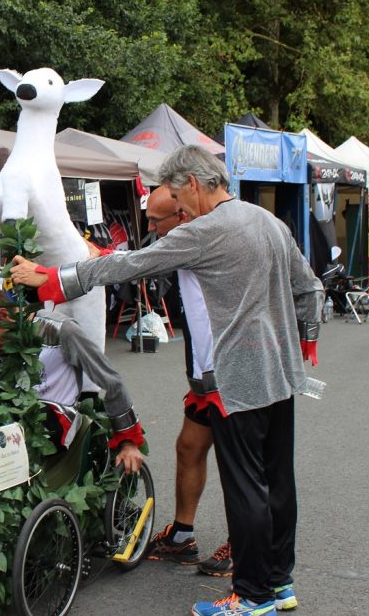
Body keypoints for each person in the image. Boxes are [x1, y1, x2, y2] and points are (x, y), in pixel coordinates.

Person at [11, 145, 322, 616]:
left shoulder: (206, 230)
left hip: (234, 380)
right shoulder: (268, 222)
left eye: (178, 196)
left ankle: (254, 595)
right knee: (277, 481)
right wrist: (304, 336)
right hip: (278, 373)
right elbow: (309, 285)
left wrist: (52, 278)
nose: (179, 208)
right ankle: (278, 583)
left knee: (246, 487)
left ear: (194, 185)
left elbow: (128, 264)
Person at [0, 284, 145, 474]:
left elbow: (110, 379)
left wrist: (128, 441)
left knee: (34, 414)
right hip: (12, 416)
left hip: (57, 419)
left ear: (4, 315)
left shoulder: (62, 330)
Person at [141, 186, 231, 577]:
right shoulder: (183, 238)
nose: (148, 226)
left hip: (230, 374)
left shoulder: (201, 238)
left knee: (239, 466)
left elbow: (133, 262)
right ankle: (182, 536)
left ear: (179, 215)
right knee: (188, 447)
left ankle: (247, 545)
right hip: (202, 375)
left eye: (153, 220)